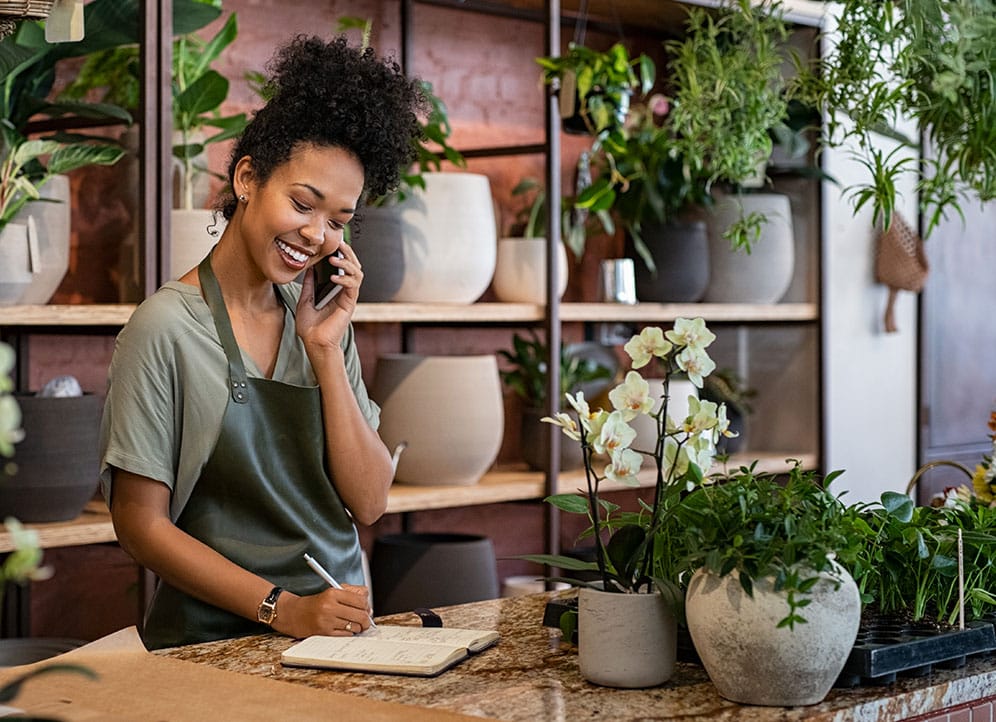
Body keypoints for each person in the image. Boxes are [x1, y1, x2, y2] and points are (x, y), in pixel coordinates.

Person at [99, 35, 425, 650]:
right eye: (303, 204)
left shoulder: (324, 322)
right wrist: (284, 609)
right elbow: (139, 525)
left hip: (338, 638)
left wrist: (326, 351)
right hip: (212, 644)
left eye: (337, 221)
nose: (316, 235)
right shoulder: (164, 329)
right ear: (247, 177)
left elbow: (371, 500)